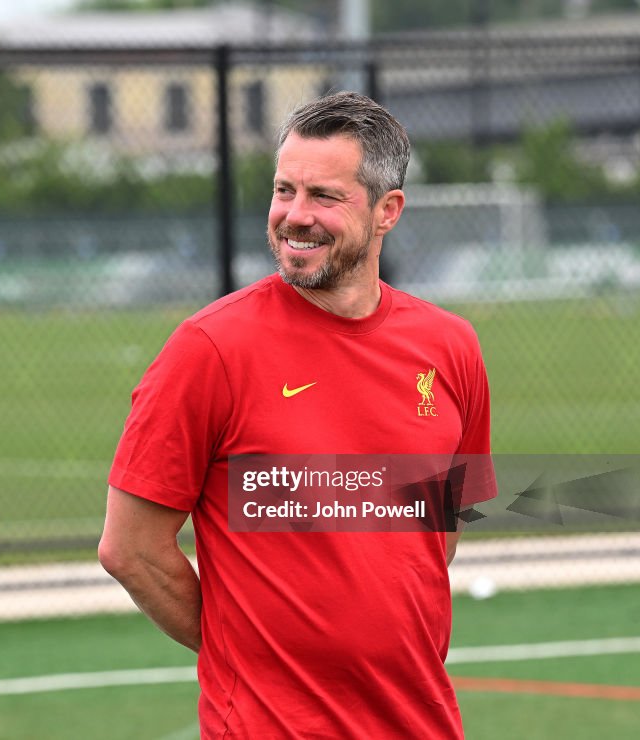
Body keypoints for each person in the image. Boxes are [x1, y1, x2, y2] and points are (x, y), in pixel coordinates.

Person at [99, 92, 496, 738]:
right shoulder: (209, 350)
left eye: (324, 197)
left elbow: (438, 536)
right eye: (284, 191)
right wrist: (250, 654)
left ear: (387, 211)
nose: (295, 217)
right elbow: (130, 549)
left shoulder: (451, 348)